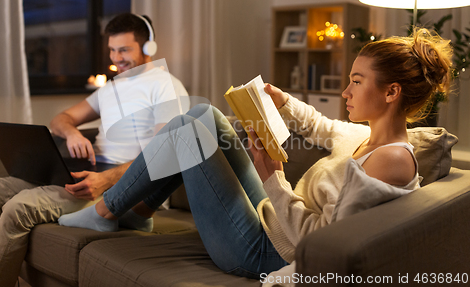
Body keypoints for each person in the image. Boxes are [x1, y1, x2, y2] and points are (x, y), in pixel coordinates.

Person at [59, 28, 451, 278]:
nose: (345, 92)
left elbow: (323, 244)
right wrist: (280, 102)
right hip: (274, 221)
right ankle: (125, 212)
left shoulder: (392, 160)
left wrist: (271, 176)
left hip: (268, 253)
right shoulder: (367, 137)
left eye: (356, 81)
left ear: (391, 92)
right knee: (203, 115)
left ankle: (105, 211)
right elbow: (320, 126)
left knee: (190, 130)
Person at [0, 13, 188, 287]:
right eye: (112, 49)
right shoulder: (112, 87)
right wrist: (71, 133)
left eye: (124, 50)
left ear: (147, 48)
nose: (116, 57)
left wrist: (106, 179)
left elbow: (162, 153)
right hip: (88, 172)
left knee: (19, 207)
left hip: (120, 187)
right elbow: (60, 119)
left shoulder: (167, 86)